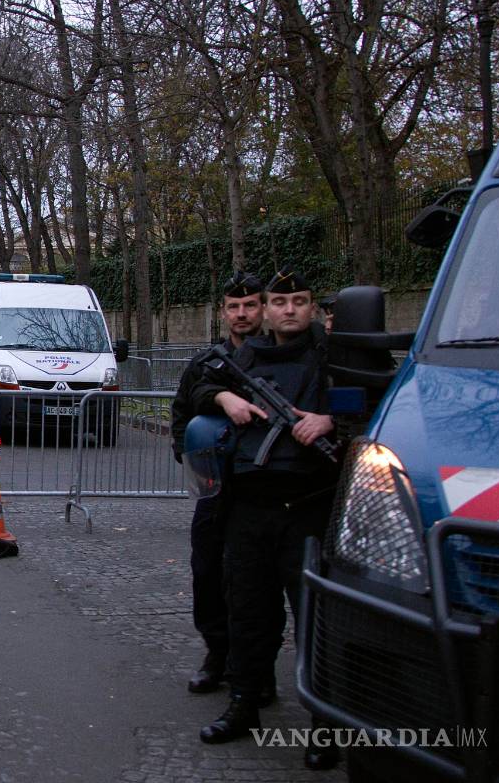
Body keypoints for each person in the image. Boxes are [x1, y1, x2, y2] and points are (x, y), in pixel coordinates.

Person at [190, 268, 341, 770]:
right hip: (249, 509)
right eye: (280, 301)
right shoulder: (243, 357)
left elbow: (382, 403)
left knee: (316, 620)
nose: (289, 310)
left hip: (310, 507)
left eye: (299, 300)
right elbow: (197, 389)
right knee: (248, 612)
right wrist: (223, 396)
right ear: (267, 308)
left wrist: (331, 420)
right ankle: (244, 702)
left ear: (313, 307)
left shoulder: (334, 357)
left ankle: (326, 722)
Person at [171, 272, 278, 700]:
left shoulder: (279, 359)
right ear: (223, 312)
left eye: (250, 305)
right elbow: (182, 413)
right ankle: (217, 654)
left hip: (265, 491)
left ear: (263, 309)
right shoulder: (207, 362)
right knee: (207, 574)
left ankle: (257, 669)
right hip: (217, 492)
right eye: (234, 307)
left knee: (260, 585)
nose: (242, 314)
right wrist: (191, 458)